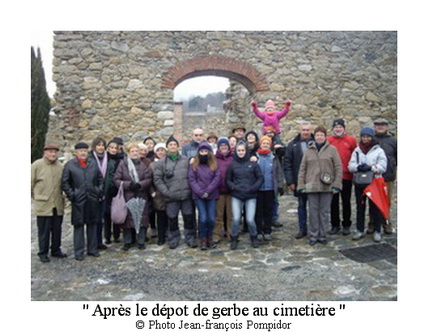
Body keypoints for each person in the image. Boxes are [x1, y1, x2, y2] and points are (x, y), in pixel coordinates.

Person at [297, 126, 343, 246]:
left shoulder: (332, 150)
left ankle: (322, 235)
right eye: (317, 135)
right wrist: (301, 185)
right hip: (311, 186)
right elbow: (302, 169)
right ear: (314, 136)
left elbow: (338, 167)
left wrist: (337, 184)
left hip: (326, 186)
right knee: (313, 212)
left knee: (324, 212)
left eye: (321, 135)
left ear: (325, 136)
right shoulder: (308, 151)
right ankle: (313, 235)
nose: (319, 137)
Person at [153, 135, 198, 249]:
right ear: (167, 147)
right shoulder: (161, 162)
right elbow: (157, 179)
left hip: (186, 195)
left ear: (178, 147)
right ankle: (173, 239)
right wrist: (166, 192)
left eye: (174, 144)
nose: (173, 146)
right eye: (170, 145)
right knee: (172, 219)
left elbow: (193, 175)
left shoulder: (186, 160)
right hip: (171, 196)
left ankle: (190, 238)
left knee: (188, 217)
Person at [62, 142, 104, 261]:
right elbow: (65, 182)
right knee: (79, 226)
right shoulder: (70, 165)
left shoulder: (93, 163)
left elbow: (100, 179)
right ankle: (79, 252)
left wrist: (98, 191)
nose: (83, 153)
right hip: (78, 200)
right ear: (76, 152)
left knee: (92, 224)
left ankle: (92, 249)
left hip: (92, 199)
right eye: (80, 151)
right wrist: (73, 195)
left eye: (85, 150)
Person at [348, 127, 387, 242]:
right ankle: (360, 229)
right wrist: (358, 167)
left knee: (375, 207)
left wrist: (371, 168)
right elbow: (350, 166)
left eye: (367, 137)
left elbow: (383, 166)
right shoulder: (357, 150)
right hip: (360, 182)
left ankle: (377, 230)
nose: (365, 139)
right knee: (360, 207)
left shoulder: (379, 150)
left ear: (371, 137)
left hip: (374, 181)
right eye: (363, 136)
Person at [113, 142, 152, 250]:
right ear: (128, 153)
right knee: (127, 220)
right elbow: (116, 179)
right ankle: (127, 241)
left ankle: (141, 241)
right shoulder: (122, 164)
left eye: (136, 151)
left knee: (141, 218)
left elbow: (148, 179)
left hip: (140, 195)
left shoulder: (143, 165)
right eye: (132, 151)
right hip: (127, 195)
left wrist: (140, 185)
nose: (135, 153)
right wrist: (128, 185)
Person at [31, 144, 66, 263]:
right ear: (45, 153)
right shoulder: (37, 165)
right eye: (50, 152)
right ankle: (43, 252)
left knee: (57, 229)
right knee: (44, 231)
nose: (53, 154)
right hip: (43, 204)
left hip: (57, 203)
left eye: (55, 152)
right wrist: (36, 197)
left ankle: (56, 249)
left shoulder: (60, 166)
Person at [226, 141, 264, 250]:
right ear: (236, 151)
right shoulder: (232, 164)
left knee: (250, 219)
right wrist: (233, 187)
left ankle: (254, 237)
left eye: (243, 150)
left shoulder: (253, 163)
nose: (241, 152)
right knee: (236, 218)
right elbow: (228, 179)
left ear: (246, 150)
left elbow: (260, 178)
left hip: (250, 195)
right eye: (239, 150)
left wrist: (253, 188)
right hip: (237, 195)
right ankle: (234, 238)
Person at [283, 122, 314, 239]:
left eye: (307, 130)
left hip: (313, 180)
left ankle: (314, 229)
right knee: (301, 206)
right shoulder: (293, 145)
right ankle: (302, 229)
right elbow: (287, 164)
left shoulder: (316, 143)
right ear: (300, 131)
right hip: (299, 181)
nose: (305, 132)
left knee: (314, 206)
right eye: (303, 130)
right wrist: (290, 181)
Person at [188, 142, 221, 250]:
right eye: (201, 151)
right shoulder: (194, 164)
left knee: (211, 218)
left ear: (209, 152)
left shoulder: (214, 163)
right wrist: (200, 192)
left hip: (211, 194)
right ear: (198, 152)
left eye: (205, 151)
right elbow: (192, 179)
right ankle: (203, 238)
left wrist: (208, 191)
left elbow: (217, 178)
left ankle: (209, 237)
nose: (203, 153)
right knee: (203, 218)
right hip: (199, 195)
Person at [327, 119, 357, 236]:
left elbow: (355, 154)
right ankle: (335, 225)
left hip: (347, 176)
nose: (338, 129)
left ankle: (346, 225)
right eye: (336, 127)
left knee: (346, 201)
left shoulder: (351, 140)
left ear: (344, 128)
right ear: (333, 129)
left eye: (340, 127)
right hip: (333, 177)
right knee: (333, 202)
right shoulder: (329, 140)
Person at [255, 136, 285, 241]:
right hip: (258, 189)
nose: (265, 145)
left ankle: (267, 230)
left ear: (270, 145)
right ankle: (259, 231)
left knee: (268, 211)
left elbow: (279, 173)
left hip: (270, 188)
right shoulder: (255, 157)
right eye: (264, 143)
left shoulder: (274, 158)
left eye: (267, 144)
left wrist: (280, 186)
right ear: (260, 144)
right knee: (258, 211)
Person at [373, 118, 397, 234]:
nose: (380, 127)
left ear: (387, 127)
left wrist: (392, 168)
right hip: (373, 177)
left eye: (382, 125)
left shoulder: (393, 141)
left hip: (388, 177)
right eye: (377, 125)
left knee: (386, 202)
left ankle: (386, 223)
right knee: (373, 201)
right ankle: (372, 224)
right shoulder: (371, 139)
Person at [89, 137, 109, 250]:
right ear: (94, 146)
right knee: (93, 219)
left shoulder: (107, 158)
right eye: (98, 145)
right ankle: (92, 242)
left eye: (102, 145)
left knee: (100, 219)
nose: (101, 147)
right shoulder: (90, 158)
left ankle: (99, 241)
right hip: (93, 193)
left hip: (104, 192)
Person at [213, 137, 234, 244]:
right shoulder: (214, 159)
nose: (224, 147)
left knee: (230, 215)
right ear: (218, 147)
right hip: (219, 191)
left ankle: (231, 233)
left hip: (231, 191)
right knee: (219, 215)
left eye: (225, 146)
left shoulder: (232, 159)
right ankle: (216, 234)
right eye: (221, 146)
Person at [104, 139, 122, 244]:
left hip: (117, 189)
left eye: (116, 148)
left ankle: (116, 235)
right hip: (107, 189)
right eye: (111, 147)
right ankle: (107, 236)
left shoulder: (121, 159)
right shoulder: (104, 160)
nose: (114, 150)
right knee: (106, 214)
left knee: (116, 212)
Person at [150, 143, 168, 245]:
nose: (161, 152)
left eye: (162, 150)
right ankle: (161, 237)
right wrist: (152, 192)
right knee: (160, 216)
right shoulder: (152, 165)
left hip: (169, 193)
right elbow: (149, 180)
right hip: (158, 194)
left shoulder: (169, 162)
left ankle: (168, 233)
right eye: (158, 150)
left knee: (170, 216)